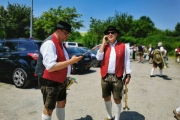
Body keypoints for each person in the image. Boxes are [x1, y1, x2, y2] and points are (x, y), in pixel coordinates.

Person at [35, 21, 83, 120]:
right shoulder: (50, 43)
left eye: (68, 34)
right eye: (66, 33)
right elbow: (51, 67)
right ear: (58, 31)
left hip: (61, 80)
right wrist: (71, 61)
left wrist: (71, 60)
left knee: (62, 103)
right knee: (49, 108)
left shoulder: (61, 43)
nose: (67, 36)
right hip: (49, 81)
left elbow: (63, 59)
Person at [96, 26, 132, 120]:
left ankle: (117, 118)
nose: (110, 34)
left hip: (117, 76)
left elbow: (127, 61)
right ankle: (109, 116)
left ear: (116, 34)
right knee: (106, 97)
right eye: (108, 33)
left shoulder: (123, 46)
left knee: (117, 98)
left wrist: (128, 74)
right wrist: (103, 44)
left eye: (112, 32)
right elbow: (98, 58)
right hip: (105, 76)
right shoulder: (104, 46)